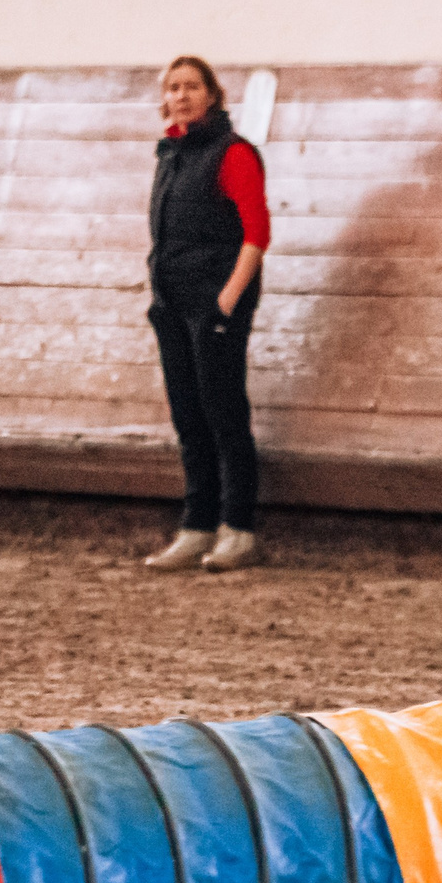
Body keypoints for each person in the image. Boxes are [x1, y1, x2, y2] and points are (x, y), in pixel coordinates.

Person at [142, 55, 269, 572]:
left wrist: (226, 300)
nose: (181, 95)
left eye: (191, 86)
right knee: (188, 418)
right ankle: (197, 526)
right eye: (173, 87)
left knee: (223, 415)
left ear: (211, 95)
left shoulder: (234, 153)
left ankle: (238, 528)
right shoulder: (170, 153)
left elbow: (256, 234)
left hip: (213, 304)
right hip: (171, 304)